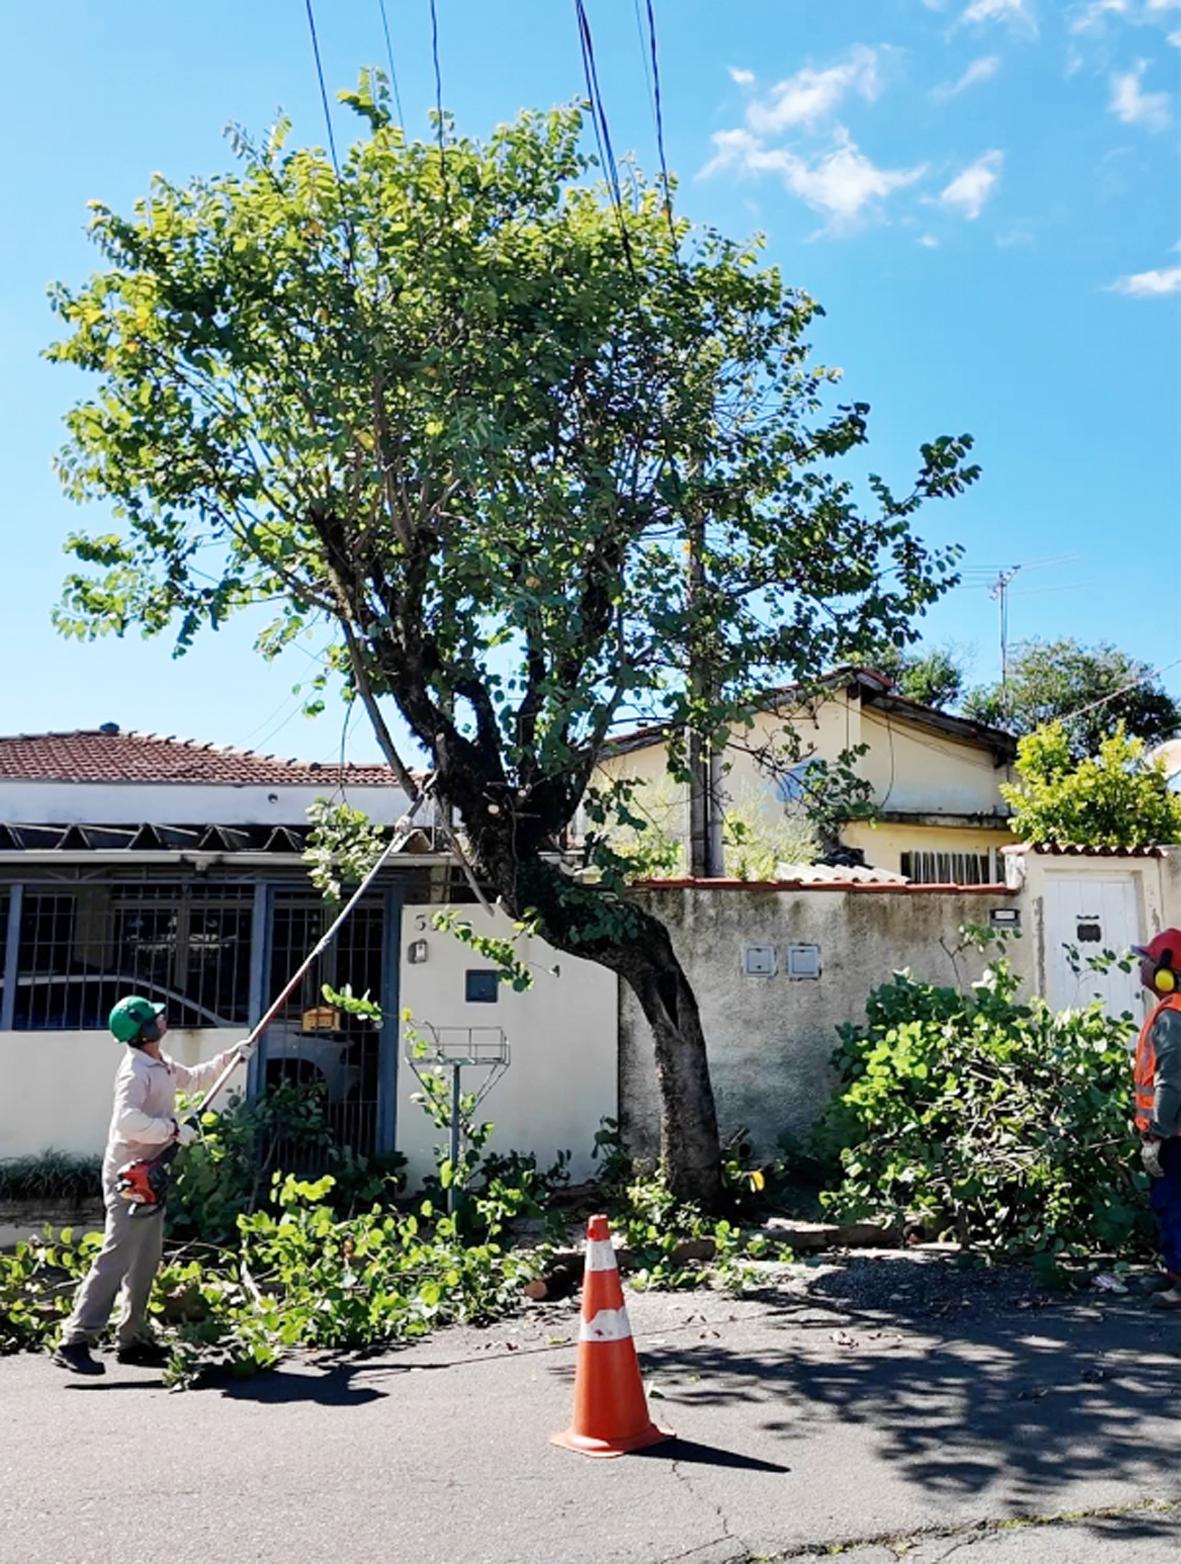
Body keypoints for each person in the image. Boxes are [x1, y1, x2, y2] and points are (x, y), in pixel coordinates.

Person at [52, 995, 254, 1374]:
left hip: (151, 1173)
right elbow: (127, 1120)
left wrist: (231, 1058)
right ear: (145, 1030)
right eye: (154, 1017)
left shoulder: (158, 1063)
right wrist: (174, 1130)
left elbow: (193, 1080)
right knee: (117, 1255)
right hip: (129, 1177)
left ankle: (132, 1338)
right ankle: (74, 1339)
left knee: (146, 1258)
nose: (162, 1018)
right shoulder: (136, 1071)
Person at [1132, 930, 1181, 1309]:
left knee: (1174, 1204)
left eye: (1148, 959)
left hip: (1175, 1135)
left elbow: (1171, 1082)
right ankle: (1173, 1272)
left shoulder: (1172, 1017)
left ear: (1166, 973)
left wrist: (1157, 1135)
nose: (1141, 964)